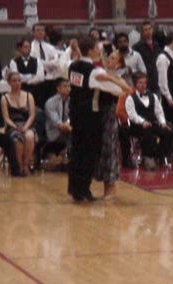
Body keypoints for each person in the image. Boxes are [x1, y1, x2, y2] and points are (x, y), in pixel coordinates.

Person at [67, 36, 127, 203]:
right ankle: (84, 190)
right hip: (90, 116)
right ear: (91, 50)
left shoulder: (73, 66)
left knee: (76, 152)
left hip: (75, 115)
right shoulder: (95, 71)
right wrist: (121, 84)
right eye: (97, 48)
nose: (100, 51)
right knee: (88, 153)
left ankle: (75, 189)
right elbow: (115, 90)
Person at [125, 73, 173, 171]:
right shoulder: (130, 98)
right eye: (140, 83)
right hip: (137, 126)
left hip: (152, 123)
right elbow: (132, 115)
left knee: (168, 131)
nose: (143, 85)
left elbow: (159, 112)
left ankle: (158, 155)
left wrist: (163, 123)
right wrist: (142, 121)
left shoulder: (153, 96)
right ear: (135, 84)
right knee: (148, 133)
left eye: (144, 83)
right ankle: (148, 157)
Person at [95, 51, 126, 200]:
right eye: (109, 57)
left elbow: (126, 90)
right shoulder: (100, 74)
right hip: (98, 115)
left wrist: (110, 78)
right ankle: (106, 188)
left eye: (113, 58)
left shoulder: (118, 79)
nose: (109, 59)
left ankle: (111, 188)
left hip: (110, 116)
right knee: (101, 151)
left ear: (118, 64)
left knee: (110, 150)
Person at [1, 72, 37, 176]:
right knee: (17, 138)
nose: (17, 83)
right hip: (12, 125)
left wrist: (25, 127)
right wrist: (16, 127)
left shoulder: (28, 96)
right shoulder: (4, 98)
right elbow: (6, 118)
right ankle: (19, 166)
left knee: (29, 136)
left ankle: (26, 165)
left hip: (27, 124)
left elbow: (32, 115)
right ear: (9, 83)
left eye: (19, 80)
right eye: (14, 81)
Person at [30, 23, 62, 107]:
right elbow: (36, 62)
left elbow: (56, 62)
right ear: (32, 33)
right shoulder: (31, 47)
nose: (40, 32)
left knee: (51, 104)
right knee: (39, 105)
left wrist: (44, 63)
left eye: (42, 30)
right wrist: (48, 63)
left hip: (51, 80)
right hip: (38, 81)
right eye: (38, 30)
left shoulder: (50, 47)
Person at [43, 78, 72, 161]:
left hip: (67, 129)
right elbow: (57, 123)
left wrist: (69, 124)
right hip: (54, 132)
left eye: (69, 86)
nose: (68, 89)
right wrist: (68, 127)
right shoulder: (50, 103)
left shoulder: (71, 101)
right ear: (58, 88)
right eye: (65, 86)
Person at [9, 38, 45, 103]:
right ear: (20, 48)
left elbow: (41, 77)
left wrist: (28, 81)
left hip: (36, 92)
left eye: (29, 47)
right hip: (20, 92)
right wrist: (31, 75)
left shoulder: (37, 61)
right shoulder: (13, 62)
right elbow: (16, 77)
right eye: (25, 47)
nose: (28, 49)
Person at [134, 21, 161, 93]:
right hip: (145, 80)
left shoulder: (157, 45)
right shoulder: (137, 47)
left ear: (152, 30)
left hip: (156, 78)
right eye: (145, 30)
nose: (148, 31)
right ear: (142, 32)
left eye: (149, 29)